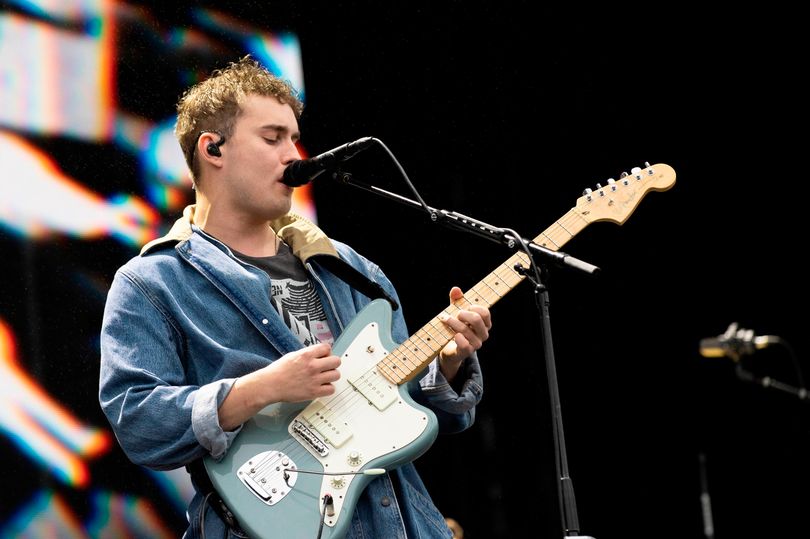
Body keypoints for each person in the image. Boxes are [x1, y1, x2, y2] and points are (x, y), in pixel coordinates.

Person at [98, 55, 491, 539]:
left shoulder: (352, 269)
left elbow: (425, 416)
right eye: (272, 137)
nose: (293, 153)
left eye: (294, 137)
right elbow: (138, 421)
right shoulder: (152, 283)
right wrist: (259, 388)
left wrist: (448, 363)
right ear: (213, 149)